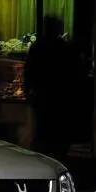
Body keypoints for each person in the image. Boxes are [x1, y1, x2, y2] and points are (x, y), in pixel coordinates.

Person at [23, 16, 81, 162]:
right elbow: (75, 73)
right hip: (61, 98)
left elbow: (28, 72)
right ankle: (58, 162)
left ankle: (43, 162)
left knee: (43, 133)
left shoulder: (37, 47)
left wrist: (28, 92)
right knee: (59, 136)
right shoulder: (65, 48)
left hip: (43, 97)